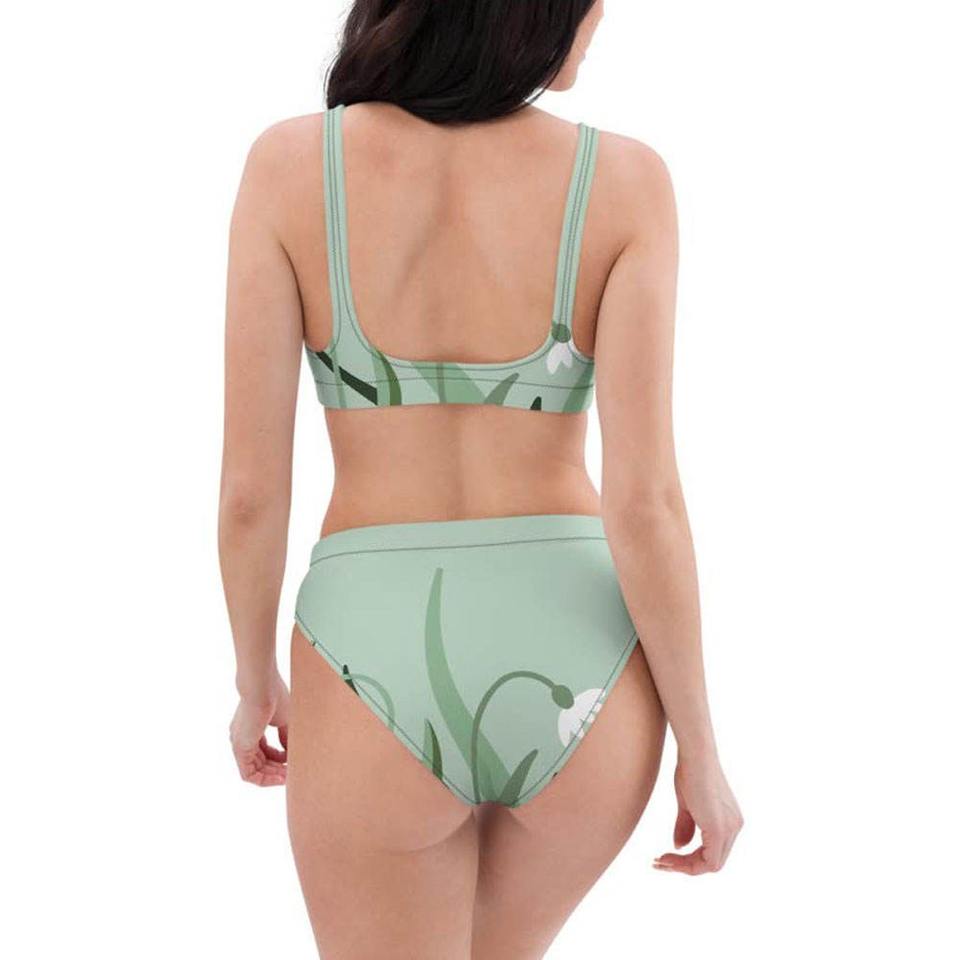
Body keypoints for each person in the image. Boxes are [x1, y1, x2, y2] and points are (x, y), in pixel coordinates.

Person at [218, 1, 743, 956]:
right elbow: (647, 505)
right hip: (584, 666)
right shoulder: (625, 182)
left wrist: (255, 680)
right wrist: (700, 750)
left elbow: (252, 493)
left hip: (370, 646)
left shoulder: (291, 167)